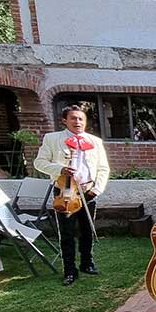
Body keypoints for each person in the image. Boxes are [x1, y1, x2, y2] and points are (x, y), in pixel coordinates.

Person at [34, 104, 110, 286]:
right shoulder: (52, 139)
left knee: (87, 230)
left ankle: (87, 263)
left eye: (81, 119)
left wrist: (96, 189)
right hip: (65, 192)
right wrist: (60, 169)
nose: (77, 122)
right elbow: (39, 162)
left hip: (88, 191)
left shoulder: (94, 141)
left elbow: (103, 168)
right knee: (67, 233)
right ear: (64, 120)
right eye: (73, 118)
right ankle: (69, 270)